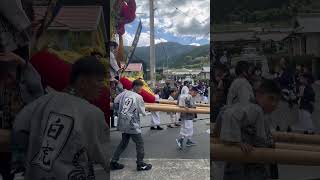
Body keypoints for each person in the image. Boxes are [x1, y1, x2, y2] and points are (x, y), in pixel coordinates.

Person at [11, 57, 110, 179]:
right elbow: (106, 156)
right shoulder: (92, 113)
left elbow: (18, 129)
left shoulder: (42, 101)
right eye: (99, 81)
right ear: (83, 82)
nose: (102, 87)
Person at [214, 79, 281, 180]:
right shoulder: (254, 109)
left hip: (247, 164)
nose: (274, 104)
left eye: (277, 101)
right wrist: (237, 142)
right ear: (258, 95)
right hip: (244, 167)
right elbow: (228, 114)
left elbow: (224, 112)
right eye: (271, 99)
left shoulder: (257, 111)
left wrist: (217, 133)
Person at [110, 79, 152, 171]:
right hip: (132, 124)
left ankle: (113, 162)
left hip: (123, 122)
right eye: (141, 87)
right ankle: (140, 164)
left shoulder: (123, 93)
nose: (141, 89)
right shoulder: (138, 97)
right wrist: (148, 110)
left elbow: (116, 103)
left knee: (123, 143)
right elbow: (142, 111)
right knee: (140, 143)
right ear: (136, 86)